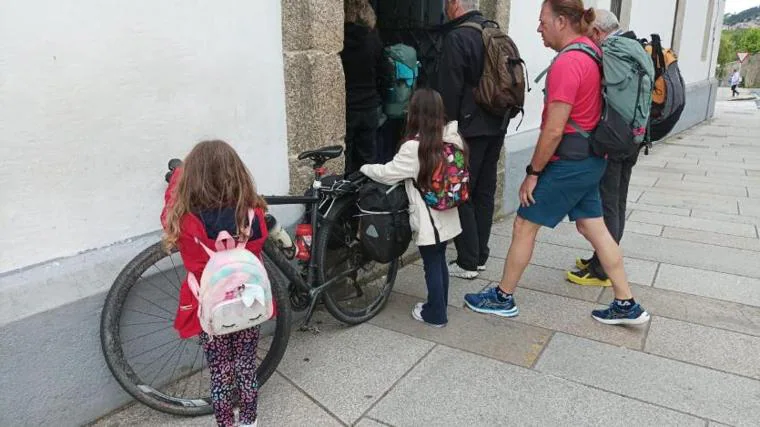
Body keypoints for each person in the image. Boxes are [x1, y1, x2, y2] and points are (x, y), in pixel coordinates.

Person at [463, 0, 650, 326]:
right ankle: (626, 302)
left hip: (570, 162)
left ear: (562, 21)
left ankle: (503, 297)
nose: (539, 27)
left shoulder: (569, 62)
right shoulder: (591, 51)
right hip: (591, 158)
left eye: (543, 20)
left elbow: (552, 130)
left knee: (524, 224)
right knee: (593, 226)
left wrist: (533, 173)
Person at [161, 140, 269, 427]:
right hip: (248, 303)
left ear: (192, 179)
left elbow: (167, 215)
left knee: (221, 373)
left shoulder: (185, 221)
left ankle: (225, 423)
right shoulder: (252, 214)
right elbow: (258, 244)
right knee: (246, 368)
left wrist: (176, 179)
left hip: (209, 306)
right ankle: (249, 422)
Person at [361, 88, 464, 327]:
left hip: (430, 219)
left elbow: (388, 174)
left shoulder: (415, 148)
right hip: (447, 212)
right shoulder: (451, 137)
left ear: (415, 113)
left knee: (432, 264)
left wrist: (365, 168)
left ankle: (436, 314)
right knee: (439, 260)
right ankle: (439, 305)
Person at [567, 9, 643, 287]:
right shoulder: (633, 46)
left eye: (589, 33)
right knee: (618, 199)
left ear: (598, 32)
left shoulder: (611, 51)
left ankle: (602, 269)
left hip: (613, 138)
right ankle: (602, 254)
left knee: (608, 203)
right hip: (633, 136)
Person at [437, 0, 507, 279]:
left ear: (454, 4)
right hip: (496, 125)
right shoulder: (493, 29)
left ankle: (467, 261)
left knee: (462, 192)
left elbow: (449, 90)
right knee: (484, 191)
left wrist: (445, 130)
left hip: (468, 129)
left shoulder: (458, 37)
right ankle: (480, 255)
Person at [341, 0, 392, 174]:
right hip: (369, 105)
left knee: (345, 156)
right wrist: (381, 96)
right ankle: (364, 195)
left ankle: (344, 195)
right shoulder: (373, 39)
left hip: (346, 107)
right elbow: (386, 72)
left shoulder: (339, 40)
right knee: (368, 158)